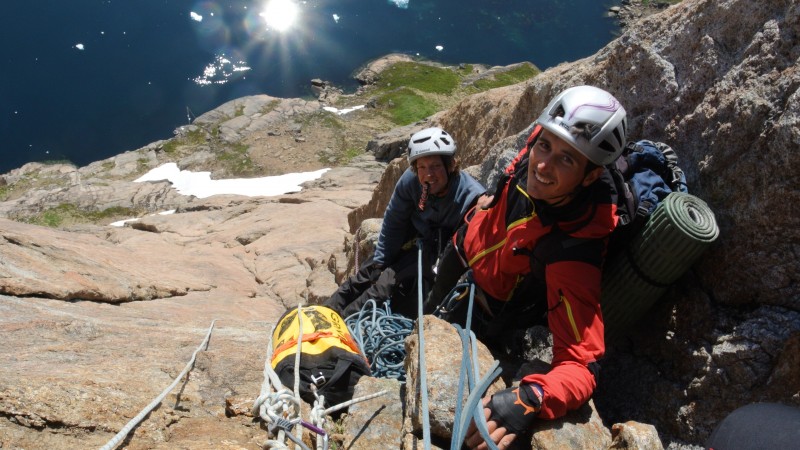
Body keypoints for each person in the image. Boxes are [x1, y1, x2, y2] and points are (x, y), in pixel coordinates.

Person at [424, 86, 628, 449]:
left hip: (488, 309)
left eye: (567, 160)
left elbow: (581, 364)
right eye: (545, 146)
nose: (543, 165)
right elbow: (517, 173)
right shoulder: (539, 145)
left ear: (590, 177)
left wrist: (531, 397)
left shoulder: (573, 247)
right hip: (463, 251)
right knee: (425, 316)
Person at [323, 126, 489, 319]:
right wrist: (381, 261)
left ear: (450, 165)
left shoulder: (469, 196)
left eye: (435, 166)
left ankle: (343, 322)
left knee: (386, 283)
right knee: (368, 273)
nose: (428, 174)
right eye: (422, 167)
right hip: (412, 235)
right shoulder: (410, 181)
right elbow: (394, 220)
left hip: (436, 249)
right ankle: (325, 312)